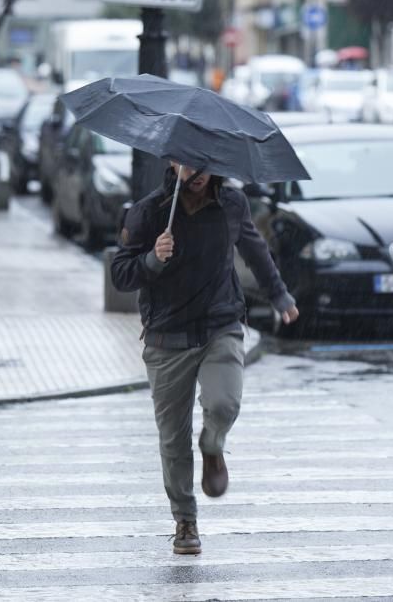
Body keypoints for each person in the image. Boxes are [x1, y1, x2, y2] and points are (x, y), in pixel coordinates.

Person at [111, 164, 299, 556]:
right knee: (173, 439)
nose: (194, 171)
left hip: (221, 324)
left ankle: (213, 444)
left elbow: (254, 249)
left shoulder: (232, 203)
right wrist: (152, 258)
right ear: (170, 162)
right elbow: (121, 274)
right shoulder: (149, 212)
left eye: (201, 163)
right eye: (185, 161)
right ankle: (185, 520)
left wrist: (279, 296)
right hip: (167, 336)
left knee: (224, 403)